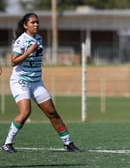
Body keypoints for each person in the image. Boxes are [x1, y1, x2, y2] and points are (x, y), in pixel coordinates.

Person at [1, 13, 81, 153]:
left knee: (52, 113)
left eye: (37, 22)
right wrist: (29, 51)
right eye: (33, 22)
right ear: (26, 25)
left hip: (36, 82)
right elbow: (13, 62)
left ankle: (68, 143)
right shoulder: (21, 41)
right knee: (25, 111)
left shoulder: (39, 38)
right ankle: (7, 143)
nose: (36, 24)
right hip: (21, 81)